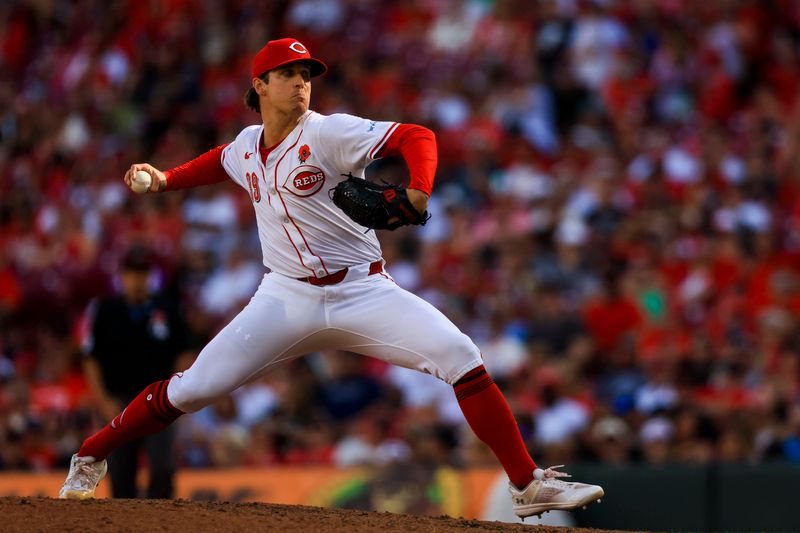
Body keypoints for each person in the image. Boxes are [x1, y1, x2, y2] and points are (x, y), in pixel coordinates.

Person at [59, 37, 603, 519]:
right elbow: (219, 161)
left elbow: (418, 135)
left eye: (307, 76)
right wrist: (164, 179)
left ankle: (526, 484)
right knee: (194, 388)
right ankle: (91, 454)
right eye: (289, 75)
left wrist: (419, 190)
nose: (301, 83)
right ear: (260, 85)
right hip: (285, 297)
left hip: (362, 290)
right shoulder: (248, 144)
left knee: (461, 354)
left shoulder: (331, 133)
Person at [81, 246, 192, 498]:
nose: (136, 280)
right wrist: (103, 400)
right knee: (121, 472)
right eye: (131, 273)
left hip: (158, 401)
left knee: (163, 469)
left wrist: (177, 394)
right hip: (119, 401)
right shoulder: (106, 311)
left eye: (141, 274)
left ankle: (160, 523)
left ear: (149, 276)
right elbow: (91, 359)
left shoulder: (168, 309)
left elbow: (184, 353)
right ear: (121, 276)